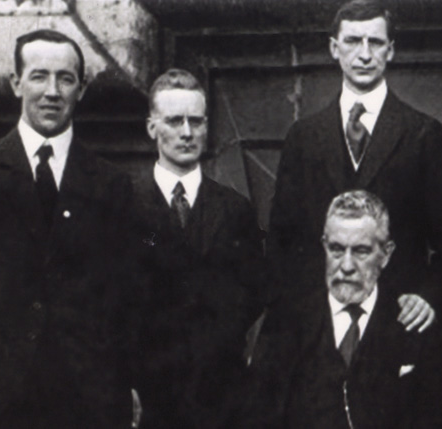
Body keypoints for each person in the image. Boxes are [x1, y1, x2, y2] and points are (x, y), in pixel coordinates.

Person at [0, 29, 139, 429]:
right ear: (16, 83)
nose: (52, 91)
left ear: (82, 88)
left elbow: (126, 293)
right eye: (39, 76)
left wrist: (127, 381)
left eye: (66, 78)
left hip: (86, 396)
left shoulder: (111, 184)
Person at [267, 0, 442, 335]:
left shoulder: (424, 134)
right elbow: (282, 242)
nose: (363, 54)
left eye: (375, 43)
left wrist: (429, 297)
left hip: (397, 325)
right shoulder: (303, 137)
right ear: (334, 48)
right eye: (352, 41)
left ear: (390, 50)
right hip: (317, 327)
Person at [130, 68, 266, 428]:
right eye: (175, 121)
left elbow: (253, 293)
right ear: (152, 128)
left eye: (197, 121)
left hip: (220, 399)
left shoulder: (235, 210)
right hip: (146, 398)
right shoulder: (121, 206)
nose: (187, 133)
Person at [245, 190, 442, 428]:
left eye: (361, 251)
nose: (346, 266)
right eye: (337, 250)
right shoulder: (285, 320)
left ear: (386, 254)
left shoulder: (412, 324)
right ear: (324, 246)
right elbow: (258, 418)